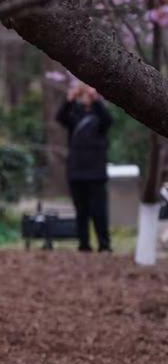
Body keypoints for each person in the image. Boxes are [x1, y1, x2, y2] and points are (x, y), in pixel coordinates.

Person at [56, 81, 113, 252]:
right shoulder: (75, 116)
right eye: (85, 96)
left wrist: (96, 99)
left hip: (96, 172)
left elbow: (109, 120)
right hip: (77, 171)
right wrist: (70, 99)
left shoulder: (99, 117)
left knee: (99, 211)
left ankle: (104, 244)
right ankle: (83, 244)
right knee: (81, 211)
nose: (86, 98)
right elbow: (60, 117)